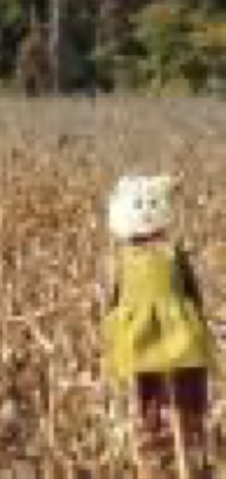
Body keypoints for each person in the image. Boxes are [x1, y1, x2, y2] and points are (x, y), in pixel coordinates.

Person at [103, 175, 214, 479]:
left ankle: (170, 457)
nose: (148, 213)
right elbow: (193, 292)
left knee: (160, 398)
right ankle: (166, 458)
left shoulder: (153, 254)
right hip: (169, 334)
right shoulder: (160, 254)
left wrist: (112, 327)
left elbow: (112, 298)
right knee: (155, 399)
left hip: (151, 335)